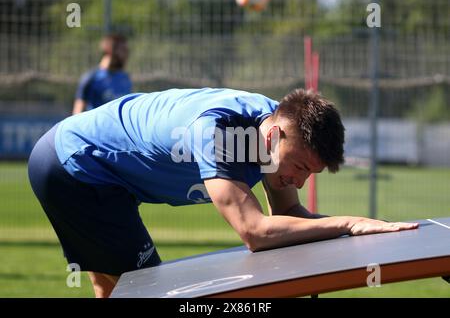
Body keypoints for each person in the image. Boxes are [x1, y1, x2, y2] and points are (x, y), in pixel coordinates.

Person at [28, 88, 418, 298]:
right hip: (75, 166)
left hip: (106, 174)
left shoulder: (272, 127)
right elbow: (256, 232)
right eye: (299, 168)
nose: (298, 181)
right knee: (144, 287)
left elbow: (292, 217)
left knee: (117, 286)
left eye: (309, 175)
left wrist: (376, 231)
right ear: (274, 136)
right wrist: (347, 223)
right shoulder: (224, 133)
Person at [72, 33, 132, 115]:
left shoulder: (125, 78)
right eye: (123, 50)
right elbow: (77, 114)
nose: (127, 54)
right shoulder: (92, 78)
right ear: (110, 50)